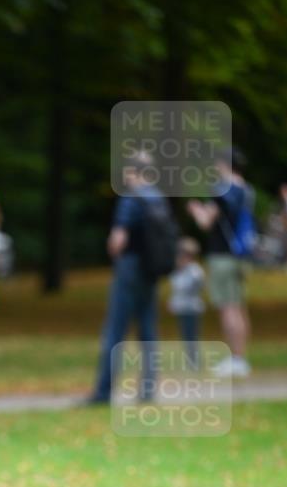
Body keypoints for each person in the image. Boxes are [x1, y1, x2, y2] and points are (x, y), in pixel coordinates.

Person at [84, 152, 174, 404]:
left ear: (131, 172)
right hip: (151, 270)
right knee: (148, 331)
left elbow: (118, 239)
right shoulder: (158, 198)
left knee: (115, 330)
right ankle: (148, 390)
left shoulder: (131, 198)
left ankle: (103, 392)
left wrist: (112, 250)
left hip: (129, 269)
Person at [187, 148, 254, 378]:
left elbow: (206, 223)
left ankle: (236, 359)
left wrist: (196, 210)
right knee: (239, 306)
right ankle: (240, 357)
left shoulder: (222, 189)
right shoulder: (247, 189)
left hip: (222, 256)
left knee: (228, 308)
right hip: (240, 255)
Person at [168, 238, 205, 370]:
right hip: (181, 309)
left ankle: (194, 361)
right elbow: (176, 289)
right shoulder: (177, 271)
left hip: (192, 309)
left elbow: (193, 287)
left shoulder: (195, 272)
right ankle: (189, 360)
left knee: (191, 336)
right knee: (185, 335)